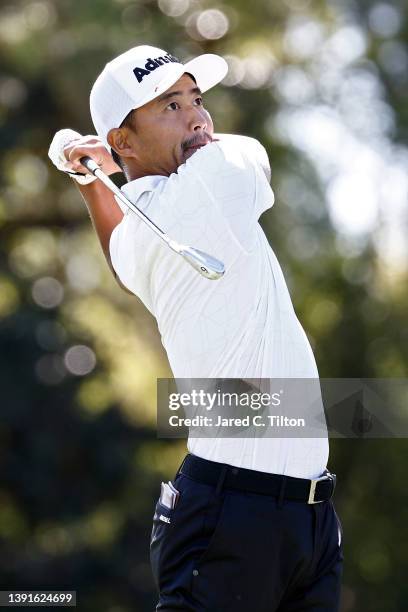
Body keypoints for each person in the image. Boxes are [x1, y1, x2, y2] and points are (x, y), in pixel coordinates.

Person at [48, 45, 343, 611]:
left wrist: (92, 180)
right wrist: (101, 171)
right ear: (124, 141)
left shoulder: (142, 235)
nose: (198, 117)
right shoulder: (215, 178)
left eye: (197, 100)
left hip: (305, 517)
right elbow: (247, 153)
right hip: (234, 514)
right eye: (170, 106)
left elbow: (117, 247)